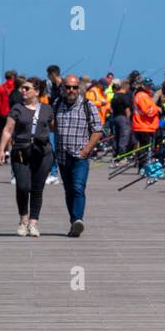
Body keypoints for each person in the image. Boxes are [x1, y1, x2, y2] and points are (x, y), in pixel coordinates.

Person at [0, 78, 54, 236]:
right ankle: (23, 220)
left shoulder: (47, 109)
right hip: (21, 151)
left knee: (37, 188)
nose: (23, 91)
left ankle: (33, 223)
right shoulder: (17, 108)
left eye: (27, 88)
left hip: (43, 153)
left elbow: (54, 128)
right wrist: (1, 150)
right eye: (22, 88)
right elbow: (8, 130)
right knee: (23, 186)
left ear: (36, 91)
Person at [52, 74, 104, 236]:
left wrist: (86, 150)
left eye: (74, 87)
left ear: (79, 88)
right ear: (63, 88)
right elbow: (52, 125)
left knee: (78, 187)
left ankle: (78, 219)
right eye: (68, 87)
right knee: (68, 190)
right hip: (62, 156)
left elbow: (97, 131)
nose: (71, 90)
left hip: (80, 156)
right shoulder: (57, 104)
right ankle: (74, 221)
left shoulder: (88, 106)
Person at [130, 79, 161, 158]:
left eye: (150, 85)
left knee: (144, 147)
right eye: (148, 85)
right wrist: (158, 109)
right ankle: (142, 165)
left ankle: (142, 164)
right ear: (143, 85)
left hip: (142, 125)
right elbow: (148, 111)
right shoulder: (142, 96)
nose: (150, 87)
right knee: (144, 148)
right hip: (144, 125)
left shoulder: (142, 95)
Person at [107, 79, 133, 157]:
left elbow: (111, 109)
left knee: (117, 135)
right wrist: (129, 120)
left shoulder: (114, 97)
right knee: (124, 135)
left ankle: (115, 153)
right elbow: (127, 109)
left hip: (115, 117)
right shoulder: (123, 97)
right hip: (123, 117)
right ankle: (122, 153)